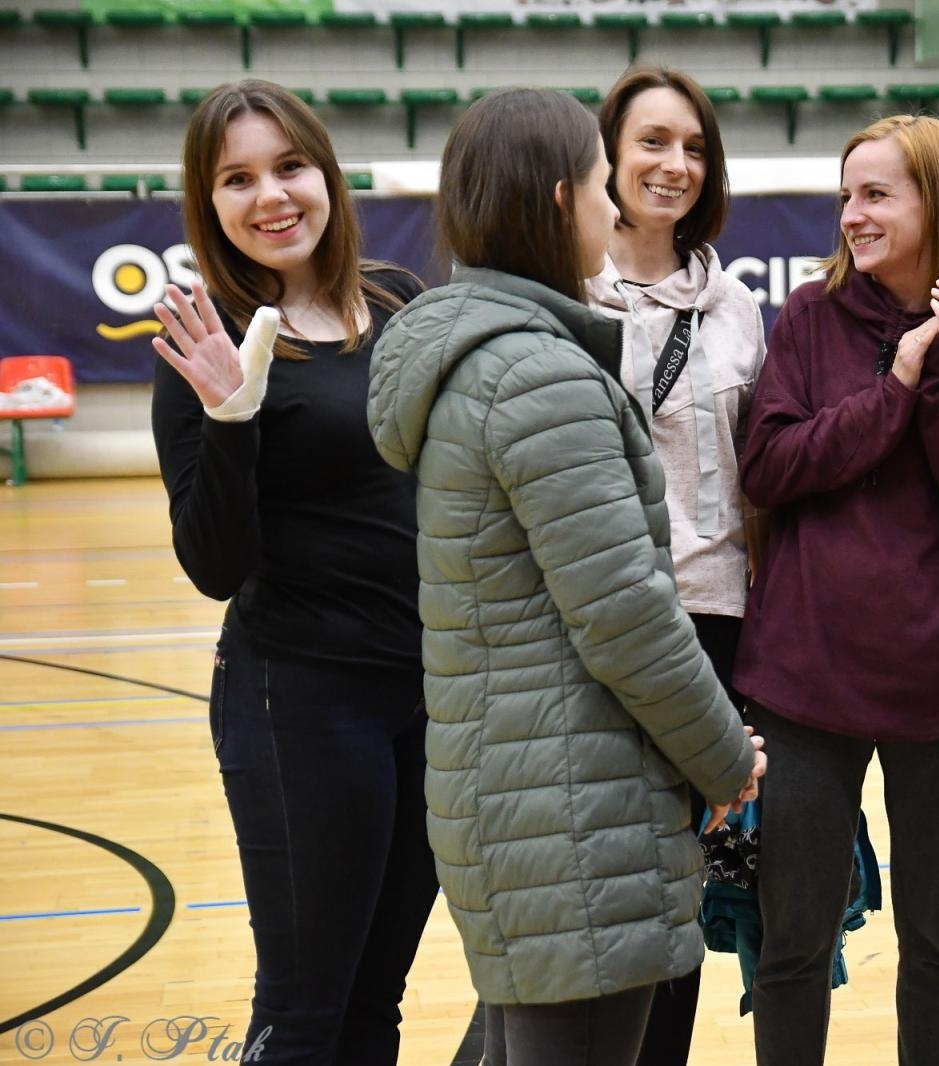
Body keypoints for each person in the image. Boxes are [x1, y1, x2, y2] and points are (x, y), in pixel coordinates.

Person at [365, 88, 764, 1066]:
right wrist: (726, 760)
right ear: (558, 200)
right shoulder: (538, 378)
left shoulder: (486, 356)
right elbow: (625, 613)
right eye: (599, 183)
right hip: (569, 804)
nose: (612, 204)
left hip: (523, 793)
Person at [734, 113, 939, 1066]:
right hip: (802, 687)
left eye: (876, 194)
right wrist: (894, 387)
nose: (853, 215)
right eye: (846, 195)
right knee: (790, 946)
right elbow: (772, 468)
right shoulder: (812, 320)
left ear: (938, 202)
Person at [149, 79, 437, 1064]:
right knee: (306, 1010)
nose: (271, 195)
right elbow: (213, 563)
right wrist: (231, 417)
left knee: (375, 1002)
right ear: (209, 202)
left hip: (428, 698)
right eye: (238, 179)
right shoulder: (205, 338)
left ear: (327, 173)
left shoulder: (403, 300)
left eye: (289, 166)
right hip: (300, 701)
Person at [585, 65, 767, 1066]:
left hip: (715, 623)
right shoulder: (564, 289)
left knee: (688, 887)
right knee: (602, 886)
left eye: (694, 147)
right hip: (596, 622)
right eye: (653, 141)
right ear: (606, 153)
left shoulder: (734, 304)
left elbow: (758, 478)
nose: (674, 164)